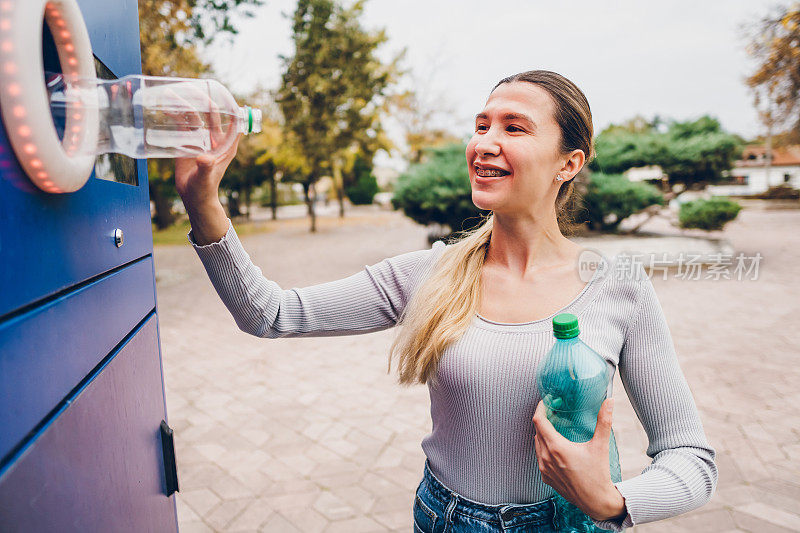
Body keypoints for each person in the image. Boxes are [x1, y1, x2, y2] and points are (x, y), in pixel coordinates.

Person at [174, 70, 717, 532]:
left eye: (514, 127)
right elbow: (268, 313)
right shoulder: (427, 274)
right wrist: (202, 202)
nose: (484, 141)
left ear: (568, 163)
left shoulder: (616, 285)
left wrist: (615, 502)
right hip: (444, 517)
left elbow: (691, 460)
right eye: (481, 126)